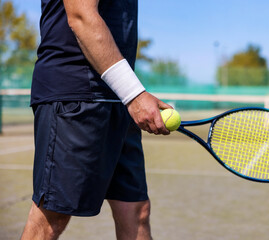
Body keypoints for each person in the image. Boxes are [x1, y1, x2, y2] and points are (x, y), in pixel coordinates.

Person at [21, 0, 171, 239]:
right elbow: (80, 15)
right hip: (78, 95)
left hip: (118, 98)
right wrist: (134, 95)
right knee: (52, 216)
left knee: (136, 210)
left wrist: (128, 95)